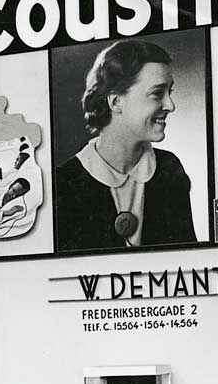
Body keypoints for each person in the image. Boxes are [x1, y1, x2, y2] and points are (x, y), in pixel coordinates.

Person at [56, 39, 196, 251]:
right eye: (157, 93)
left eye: (170, 93)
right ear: (115, 102)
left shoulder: (169, 168)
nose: (170, 105)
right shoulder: (63, 182)